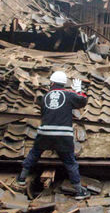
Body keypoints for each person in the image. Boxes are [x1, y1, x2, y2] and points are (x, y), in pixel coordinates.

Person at [12, 71, 90, 199]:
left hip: (45, 133)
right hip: (63, 135)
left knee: (34, 154)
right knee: (70, 162)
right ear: (63, 84)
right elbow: (82, 101)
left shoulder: (45, 96)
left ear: (52, 83)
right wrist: (78, 90)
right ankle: (79, 191)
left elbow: (45, 112)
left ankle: (21, 178)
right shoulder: (69, 94)